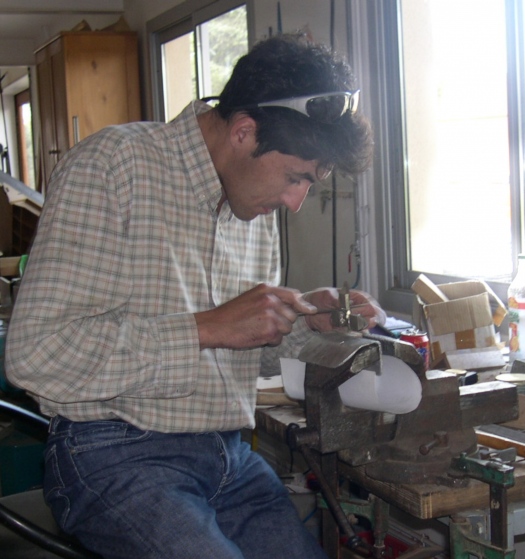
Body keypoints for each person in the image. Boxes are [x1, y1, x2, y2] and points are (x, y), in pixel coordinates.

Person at [6, 33, 385, 559]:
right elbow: (35, 354)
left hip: (228, 456)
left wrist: (303, 323)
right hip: (115, 455)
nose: (296, 202)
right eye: (296, 178)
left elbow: (239, 352)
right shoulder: (114, 166)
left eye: (311, 185)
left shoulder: (254, 208)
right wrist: (205, 326)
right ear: (244, 131)